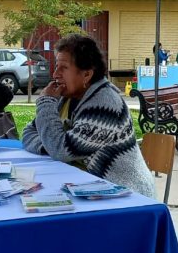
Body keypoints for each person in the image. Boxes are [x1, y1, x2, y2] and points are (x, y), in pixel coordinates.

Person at [22, 34, 154, 198]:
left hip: (125, 196)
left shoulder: (105, 105)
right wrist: (49, 145)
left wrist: (46, 103)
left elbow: (61, 150)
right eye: (56, 66)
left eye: (63, 68)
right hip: (87, 187)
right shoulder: (66, 98)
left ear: (86, 75)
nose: (55, 74)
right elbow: (28, 132)